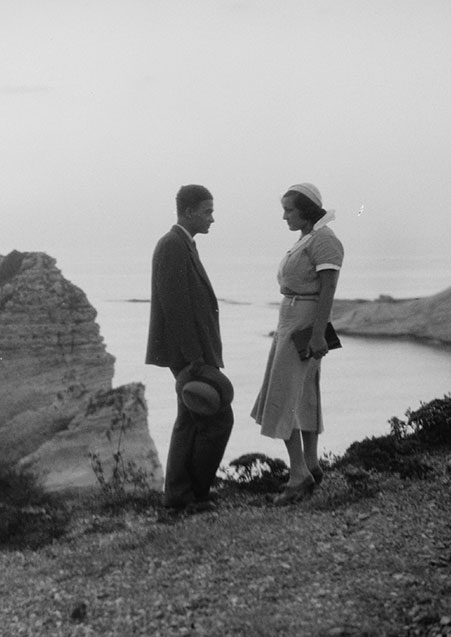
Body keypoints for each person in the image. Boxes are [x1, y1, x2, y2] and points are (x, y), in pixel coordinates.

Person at [251, 182, 344, 505]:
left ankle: (298, 474)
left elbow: (328, 290)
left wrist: (318, 334)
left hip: (304, 324)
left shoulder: (325, 241)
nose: (284, 216)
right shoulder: (307, 239)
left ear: (305, 209)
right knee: (302, 395)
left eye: (288, 210)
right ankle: (312, 465)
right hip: (291, 320)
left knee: (286, 395)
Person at [146, 184, 234, 514]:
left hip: (192, 350)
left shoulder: (184, 244)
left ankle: (184, 495)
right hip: (187, 353)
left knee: (192, 419)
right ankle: (188, 493)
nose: (212, 218)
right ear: (189, 212)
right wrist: (195, 357)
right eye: (208, 211)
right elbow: (174, 305)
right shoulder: (172, 245)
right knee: (216, 417)